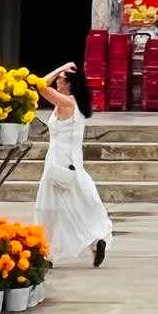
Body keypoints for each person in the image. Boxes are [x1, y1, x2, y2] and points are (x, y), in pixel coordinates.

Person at [30, 63, 111, 268]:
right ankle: (94, 239)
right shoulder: (71, 103)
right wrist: (62, 71)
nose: (57, 81)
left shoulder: (67, 103)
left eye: (61, 79)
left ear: (69, 84)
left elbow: (38, 84)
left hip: (61, 160)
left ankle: (46, 252)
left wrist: (61, 67)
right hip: (69, 159)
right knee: (75, 203)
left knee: (50, 207)